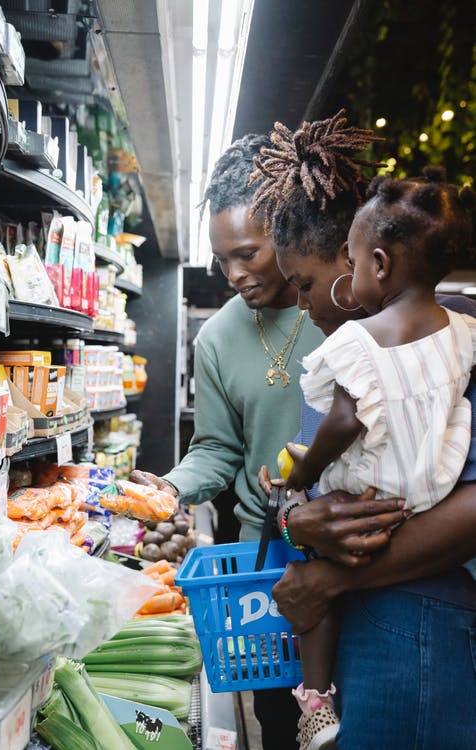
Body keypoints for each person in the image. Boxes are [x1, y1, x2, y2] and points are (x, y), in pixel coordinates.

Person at [130, 133, 405, 750]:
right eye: (221, 259)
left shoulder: (349, 302)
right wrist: (169, 487)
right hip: (268, 562)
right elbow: (219, 449)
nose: (233, 274)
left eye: (248, 253)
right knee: (282, 719)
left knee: (359, 711)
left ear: (283, 227)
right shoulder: (219, 338)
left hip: (370, 545)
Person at [251, 110, 476, 750]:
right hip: (364, 621)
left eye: (309, 283)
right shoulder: (354, 355)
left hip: (418, 622)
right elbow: (315, 483)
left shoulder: (446, 339)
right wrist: (297, 516)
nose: (303, 304)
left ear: (361, 265)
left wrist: (330, 577)